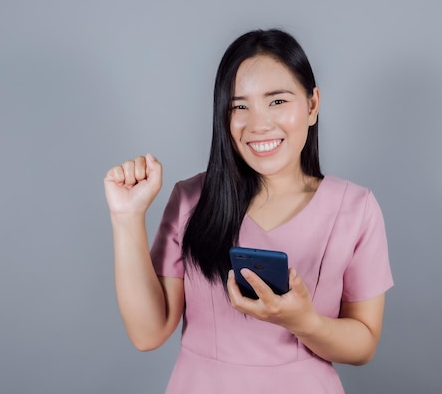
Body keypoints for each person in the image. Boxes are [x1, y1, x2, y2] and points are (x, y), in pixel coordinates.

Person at [103, 28, 393, 393]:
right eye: (239, 106)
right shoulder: (191, 200)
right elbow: (148, 334)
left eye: (277, 101)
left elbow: (364, 344)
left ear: (312, 105)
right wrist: (126, 218)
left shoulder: (356, 208)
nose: (258, 124)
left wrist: (305, 322)